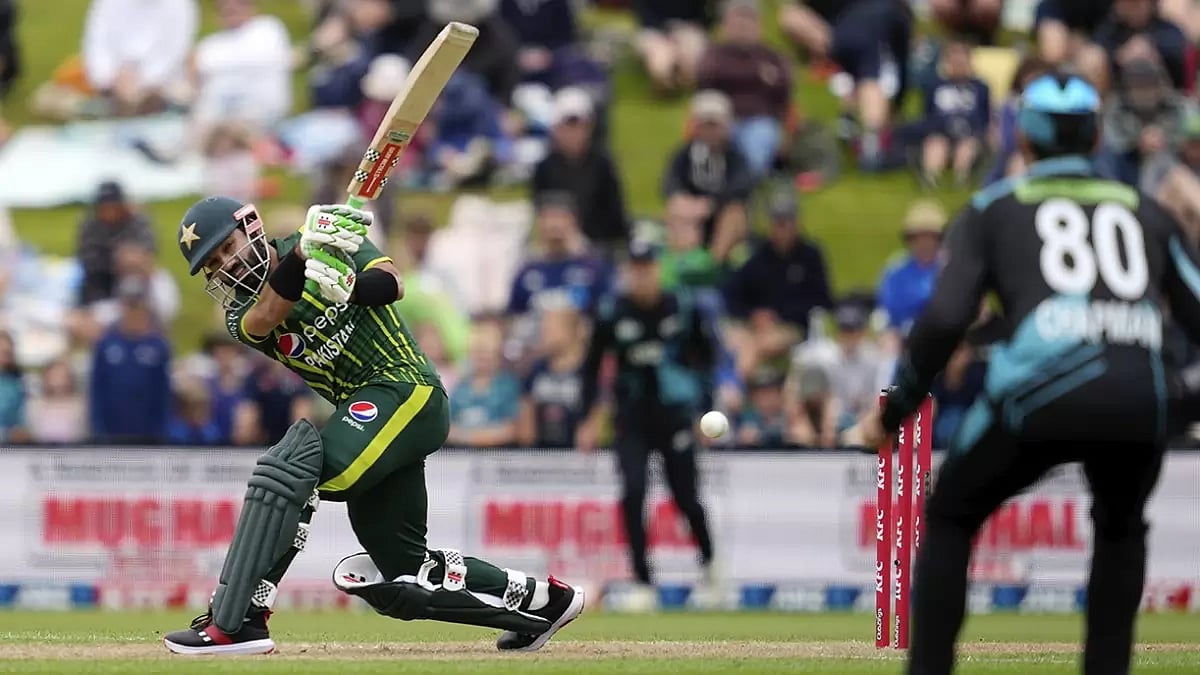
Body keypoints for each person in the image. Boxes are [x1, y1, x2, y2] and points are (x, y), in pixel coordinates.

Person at [852, 72, 1200, 675]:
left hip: (1040, 392)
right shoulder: (1147, 212)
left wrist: (895, 409)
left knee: (952, 515)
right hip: (1138, 397)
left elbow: (945, 319)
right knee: (1120, 527)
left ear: (1024, 140)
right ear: (1096, 137)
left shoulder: (993, 209)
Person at [163, 197, 584, 654]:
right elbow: (267, 316)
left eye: (228, 247)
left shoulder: (330, 240)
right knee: (404, 571)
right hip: (373, 418)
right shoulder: (240, 312)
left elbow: (391, 284)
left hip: (405, 388)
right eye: (214, 263)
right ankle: (545, 602)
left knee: (293, 470)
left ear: (251, 227)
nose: (227, 264)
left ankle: (240, 619)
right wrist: (302, 257)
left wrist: (348, 287)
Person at [576, 239, 718, 599]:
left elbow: (706, 359)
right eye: (635, 269)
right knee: (633, 492)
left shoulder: (682, 307)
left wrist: (705, 408)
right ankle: (642, 581)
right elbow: (591, 368)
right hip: (631, 417)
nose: (642, 276)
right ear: (628, 272)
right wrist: (589, 417)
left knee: (685, 496)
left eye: (648, 268)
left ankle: (711, 567)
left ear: (658, 268)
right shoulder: (612, 312)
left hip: (675, 414)